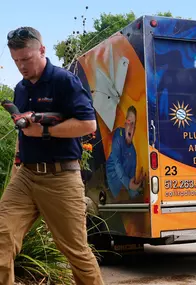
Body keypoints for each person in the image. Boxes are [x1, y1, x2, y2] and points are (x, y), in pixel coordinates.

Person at [0, 27, 104, 285]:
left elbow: (88, 125)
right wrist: (18, 162)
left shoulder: (64, 81)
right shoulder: (20, 89)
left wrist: (44, 129)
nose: (21, 66)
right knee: (1, 237)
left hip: (61, 177)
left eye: (26, 59)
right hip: (26, 176)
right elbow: (23, 133)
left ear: (42, 50)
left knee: (76, 252)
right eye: (16, 61)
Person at [106, 105, 145, 199]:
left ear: (135, 128)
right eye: (129, 122)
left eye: (133, 124)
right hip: (109, 191)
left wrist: (137, 186)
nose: (131, 126)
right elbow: (117, 163)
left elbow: (130, 183)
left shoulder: (133, 152)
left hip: (122, 194)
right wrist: (129, 184)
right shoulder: (118, 134)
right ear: (125, 124)